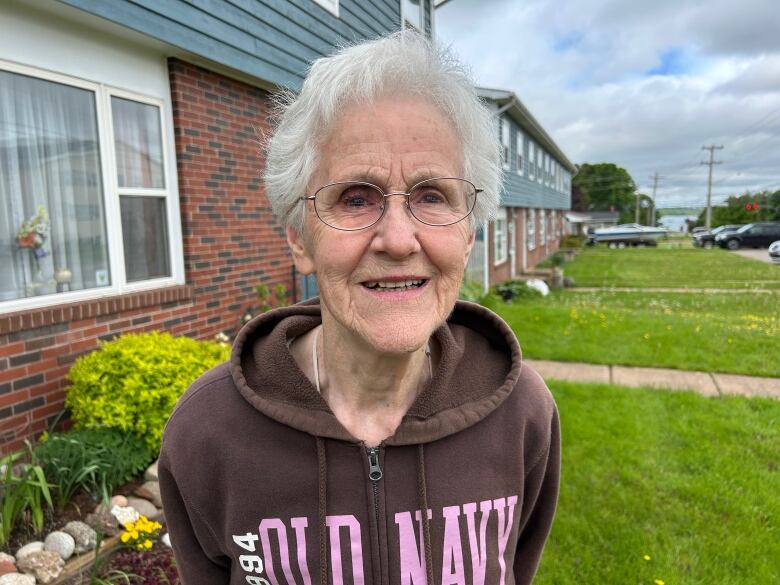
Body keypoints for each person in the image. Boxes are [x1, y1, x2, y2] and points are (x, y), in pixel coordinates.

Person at [159, 31, 560, 585]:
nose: (398, 239)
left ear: (468, 234)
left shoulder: (521, 415)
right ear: (299, 238)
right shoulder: (209, 432)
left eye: (431, 196)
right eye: (355, 198)